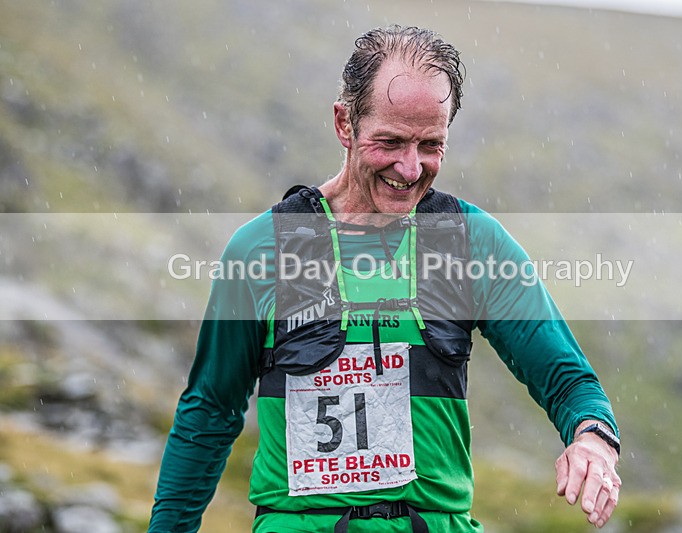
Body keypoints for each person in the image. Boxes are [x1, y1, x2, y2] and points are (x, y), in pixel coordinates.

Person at [149, 24, 621, 533]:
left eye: (431, 145)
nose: (411, 168)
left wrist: (592, 436)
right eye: (390, 142)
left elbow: (569, 380)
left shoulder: (471, 241)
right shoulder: (260, 249)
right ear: (344, 123)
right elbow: (209, 414)